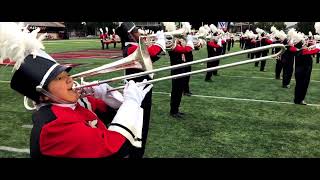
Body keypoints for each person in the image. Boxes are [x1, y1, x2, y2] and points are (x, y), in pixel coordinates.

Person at [1, 22, 152, 158]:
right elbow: (115, 148)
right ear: (43, 94)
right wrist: (131, 104)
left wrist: (108, 95)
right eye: (59, 78)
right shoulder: (53, 126)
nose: (70, 80)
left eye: (67, 74)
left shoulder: (72, 103)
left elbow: (112, 114)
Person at [115, 22, 165, 158]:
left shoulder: (134, 46)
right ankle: (135, 154)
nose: (140, 33)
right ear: (130, 35)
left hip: (142, 88)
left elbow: (150, 59)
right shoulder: (130, 48)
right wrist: (160, 42)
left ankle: (137, 152)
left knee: (143, 124)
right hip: (137, 92)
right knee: (139, 125)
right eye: (136, 31)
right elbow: (151, 52)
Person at [168, 36, 194, 118]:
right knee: (176, 92)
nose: (180, 39)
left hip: (181, 69)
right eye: (178, 37)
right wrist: (188, 42)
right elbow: (186, 49)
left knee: (179, 92)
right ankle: (173, 111)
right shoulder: (172, 46)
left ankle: (176, 110)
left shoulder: (178, 45)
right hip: (176, 71)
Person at [289, 40, 320, 105]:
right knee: (303, 86)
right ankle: (300, 100)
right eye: (305, 44)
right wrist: (317, 45)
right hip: (304, 72)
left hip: (298, 71)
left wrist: (312, 46)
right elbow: (315, 50)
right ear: (302, 46)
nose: (306, 45)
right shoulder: (304, 52)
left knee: (298, 86)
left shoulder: (298, 50)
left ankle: (297, 100)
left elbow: (293, 47)